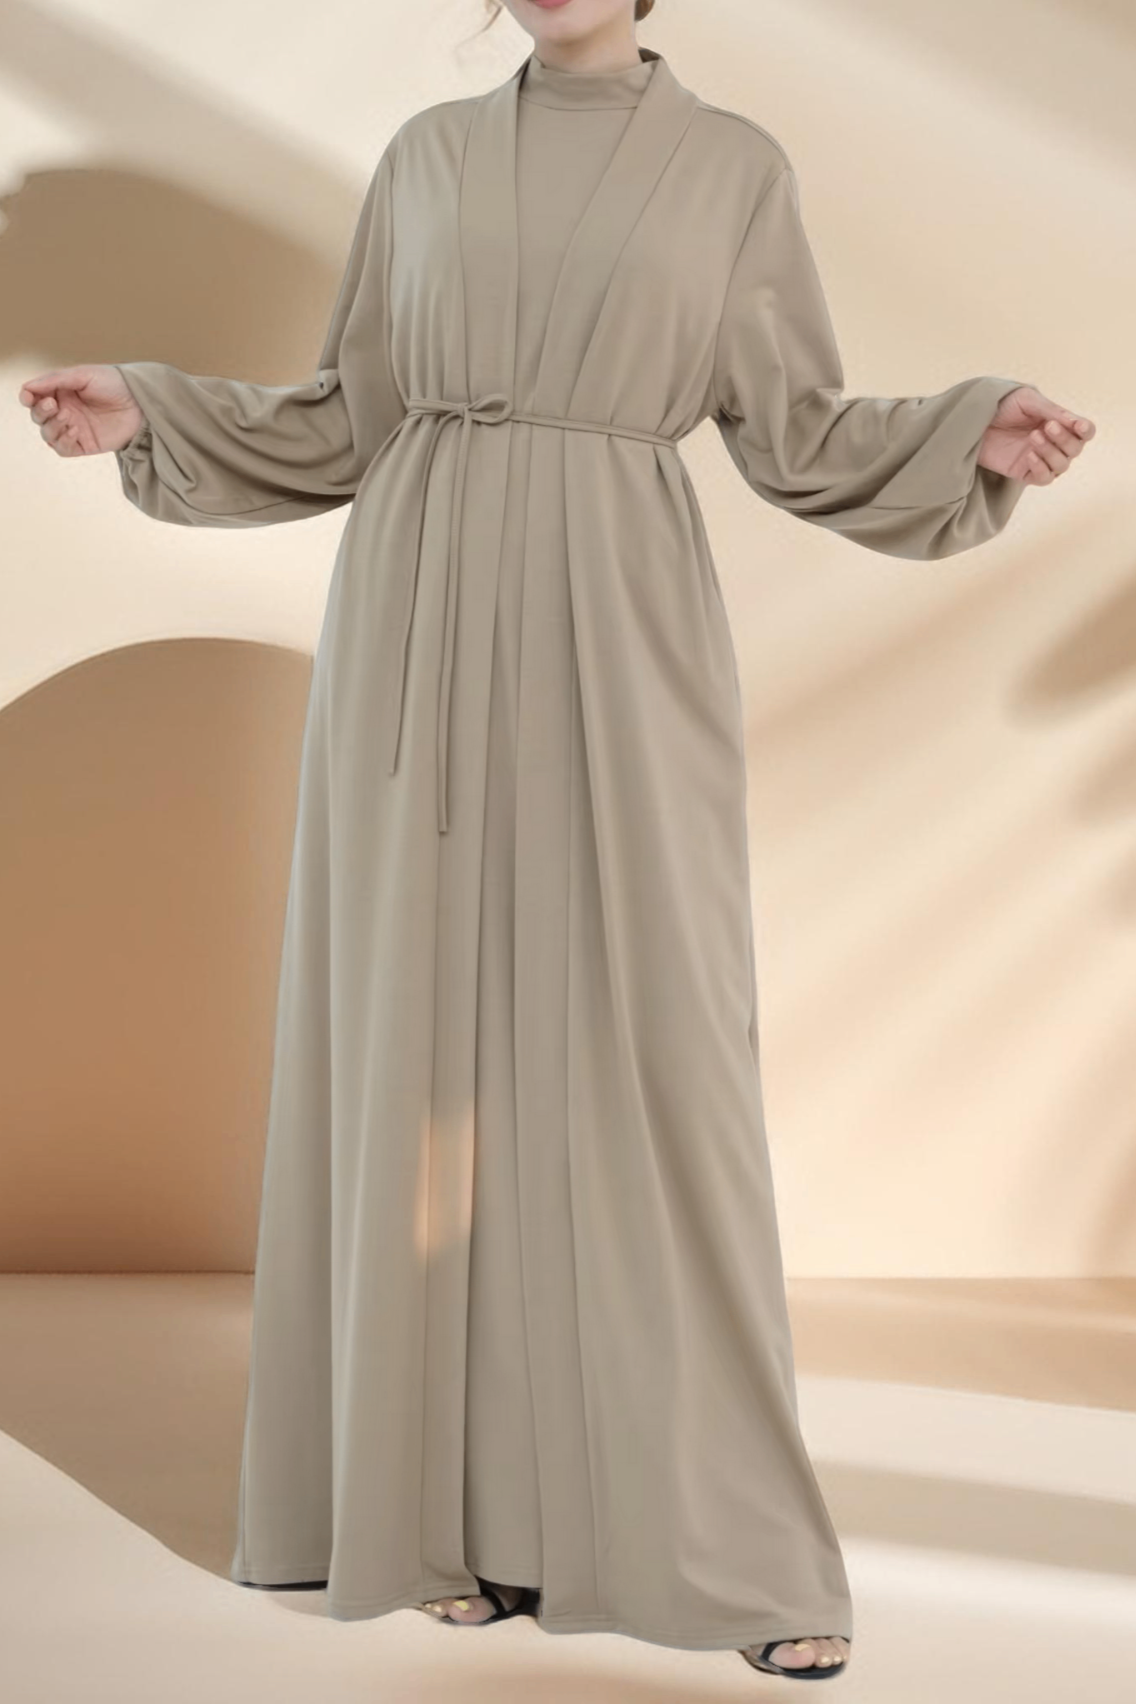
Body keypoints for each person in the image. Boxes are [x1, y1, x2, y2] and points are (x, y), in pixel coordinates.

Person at [19, 0, 1095, 1683]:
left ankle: (725, 1539)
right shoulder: (427, 159)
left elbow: (795, 426)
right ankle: (427, 1520)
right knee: (424, 1061)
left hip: (620, 618)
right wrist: (152, 414)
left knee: (651, 1054)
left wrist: (967, 432)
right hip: (418, 615)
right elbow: (349, 415)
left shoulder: (732, 169)